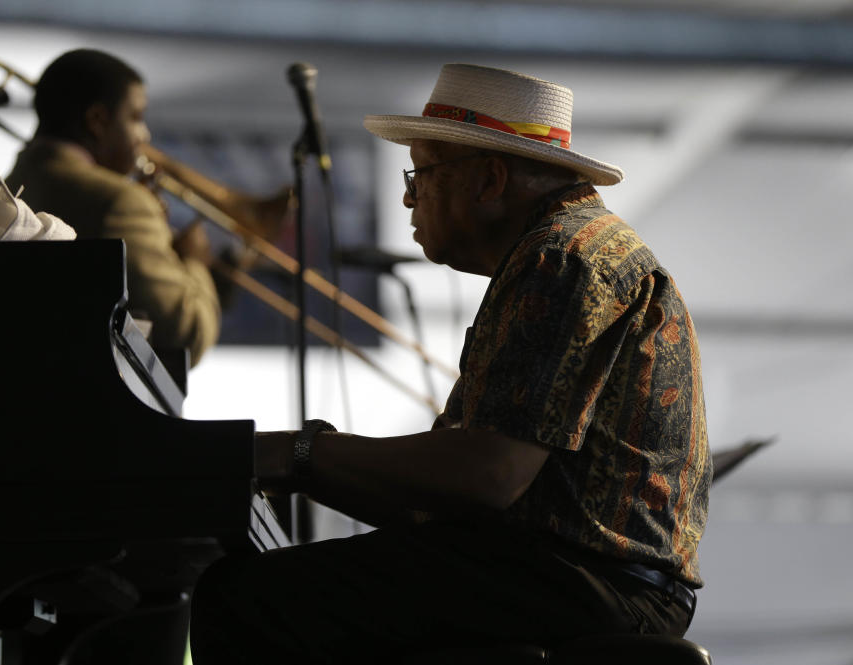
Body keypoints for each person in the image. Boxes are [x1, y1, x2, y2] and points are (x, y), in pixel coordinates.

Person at [189, 64, 712, 664]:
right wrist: (309, 466)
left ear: (489, 178)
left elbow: (487, 478)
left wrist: (298, 454)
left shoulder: (560, 260)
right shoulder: (570, 250)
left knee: (247, 597)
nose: (409, 196)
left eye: (422, 174)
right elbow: (450, 499)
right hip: (587, 578)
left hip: (589, 584)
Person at [6, 48, 287, 366]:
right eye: (136, 117)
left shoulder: (10, 186)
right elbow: (183, 334)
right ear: (97, 120)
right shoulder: (122, 202)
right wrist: (193, 262)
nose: (145, 134)